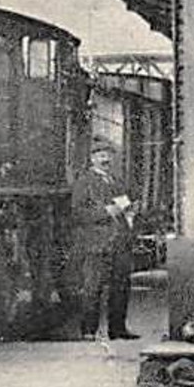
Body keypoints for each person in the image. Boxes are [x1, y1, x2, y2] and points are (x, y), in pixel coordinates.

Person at [70, 138, 139, 341]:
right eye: (101, 155)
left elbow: (126, 203)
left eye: (108, 155)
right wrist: (104, 212)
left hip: (120, 241)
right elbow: (77, 213)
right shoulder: (84, 182)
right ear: (92, 159)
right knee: (93, 288)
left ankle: (117, 329)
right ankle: (89, 331)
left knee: (121, 287)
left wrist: (131, 210)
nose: (105, 159)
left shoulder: (117, 182)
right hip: (96, 243)